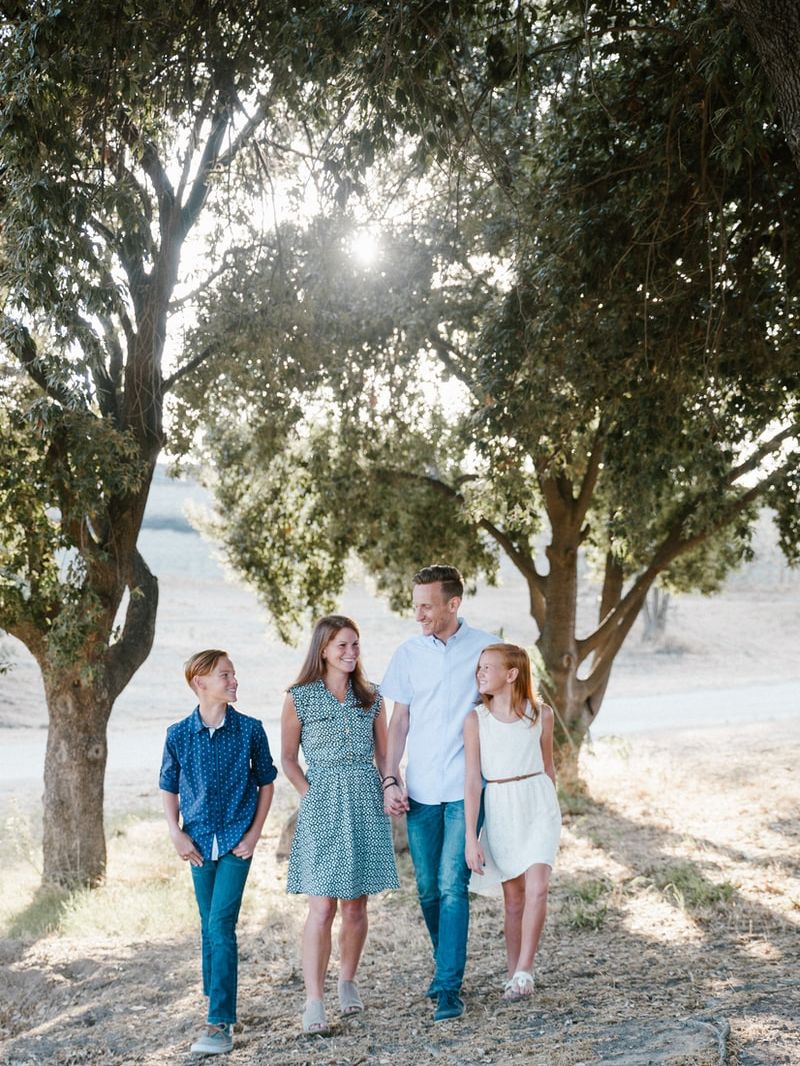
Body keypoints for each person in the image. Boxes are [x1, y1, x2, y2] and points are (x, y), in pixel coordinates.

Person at [382, 564, 496, 1022]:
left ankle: (448, 986)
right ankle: (444, 964)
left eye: (427, 606)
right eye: (415, 606)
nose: (419, 615)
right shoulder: (408, 654)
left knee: (453, 886)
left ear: (454, 603)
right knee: (427, 890)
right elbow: (399, 722)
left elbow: (503, 706)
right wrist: (390, 777)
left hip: (468, 787)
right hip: (422, 790)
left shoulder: (486, 648)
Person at [282, 614, 399, 1036]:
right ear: (324, 650)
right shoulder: (300, 697)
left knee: (356, 905)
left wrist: (390, 785)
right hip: (322, 801)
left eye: (355, 645)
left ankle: (347, 980)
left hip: (365, 799)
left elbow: (386, 755)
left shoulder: (371, 698)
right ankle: (314, 1000)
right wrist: (308, 793)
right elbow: (289, 759)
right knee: (321, 907)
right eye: (342, 646)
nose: (350, 653)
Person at [160, 649, 277, 1056]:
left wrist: (255, 834)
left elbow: (266, 783)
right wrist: (175, 832)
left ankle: (220, 1021)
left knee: (221, 923)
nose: (234, 681)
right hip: (196, 843)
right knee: (208, 923)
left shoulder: (251, 730)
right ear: (200, 683)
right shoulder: (177, 734)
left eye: (234, 674)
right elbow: (168, 786)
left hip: (235, 842)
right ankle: (217, 999)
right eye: (225, 675)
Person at [464, 643, 561, 1001]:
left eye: (488, 668)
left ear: (512, 674)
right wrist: (471, 838)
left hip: (538, 804)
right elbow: (472, 781)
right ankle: (512, 971)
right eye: (479, 667)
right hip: (502, 806)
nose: (480, 674)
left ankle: (525, 971)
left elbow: (548, 767)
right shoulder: (477, 720)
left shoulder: (541, 715)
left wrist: (552, 807)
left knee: (538, 887)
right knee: (514, 899)